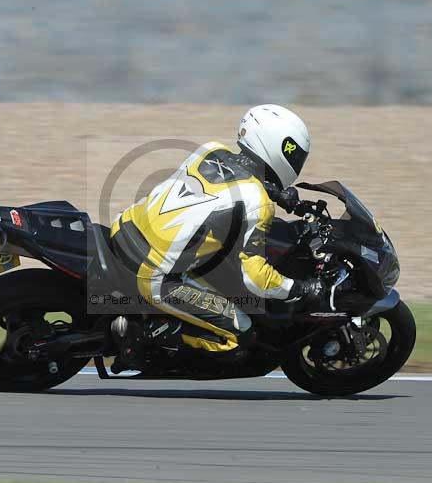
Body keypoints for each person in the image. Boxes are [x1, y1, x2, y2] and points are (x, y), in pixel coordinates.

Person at [109, 104, 326, 371]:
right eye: (294, 155)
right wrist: (300, 288)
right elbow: (255, 278)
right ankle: (140, 336)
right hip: (155, 275)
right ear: (278, 148)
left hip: (125, 229)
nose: (296, 162)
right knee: (240, 334)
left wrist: (275, 193)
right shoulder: (257, 202)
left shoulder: (210, 150)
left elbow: (225, 185)